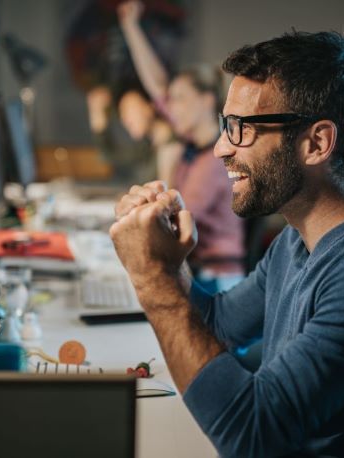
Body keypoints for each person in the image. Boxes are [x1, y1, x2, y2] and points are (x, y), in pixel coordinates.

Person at [109, 29, 344, 457]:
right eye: (224, 126)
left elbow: (252, 435)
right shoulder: (297, 239)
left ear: (316, 143)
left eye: (241, 129)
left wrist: (151, 279)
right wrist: (165, 263)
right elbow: (215, 326)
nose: (220, 148)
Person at [117, 1, 245, 292]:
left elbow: (174, 226)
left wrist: (166, 166)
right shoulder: (194, 144)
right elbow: (157, 86)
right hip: (199, 270)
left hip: (217, 280)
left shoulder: (215, 160)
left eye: (180, 99)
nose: (170, 108)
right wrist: (131, 27)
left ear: (206, 100)